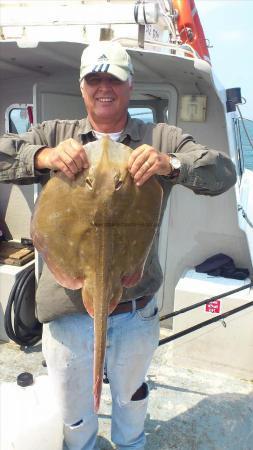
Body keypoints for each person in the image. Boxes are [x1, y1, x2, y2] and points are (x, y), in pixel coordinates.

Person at [0, 41, 236, 450]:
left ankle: (131, 445)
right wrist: (42, 156)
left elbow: (224, 173)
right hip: (67, 308)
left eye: (114, 79)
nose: (103, 87)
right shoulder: (53, 134)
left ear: (130, 86)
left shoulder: (160, 137)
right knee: (73, 407)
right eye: (94, 79)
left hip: (134, 307)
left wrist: (172, 164)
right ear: (81, 86)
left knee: (130, 397)